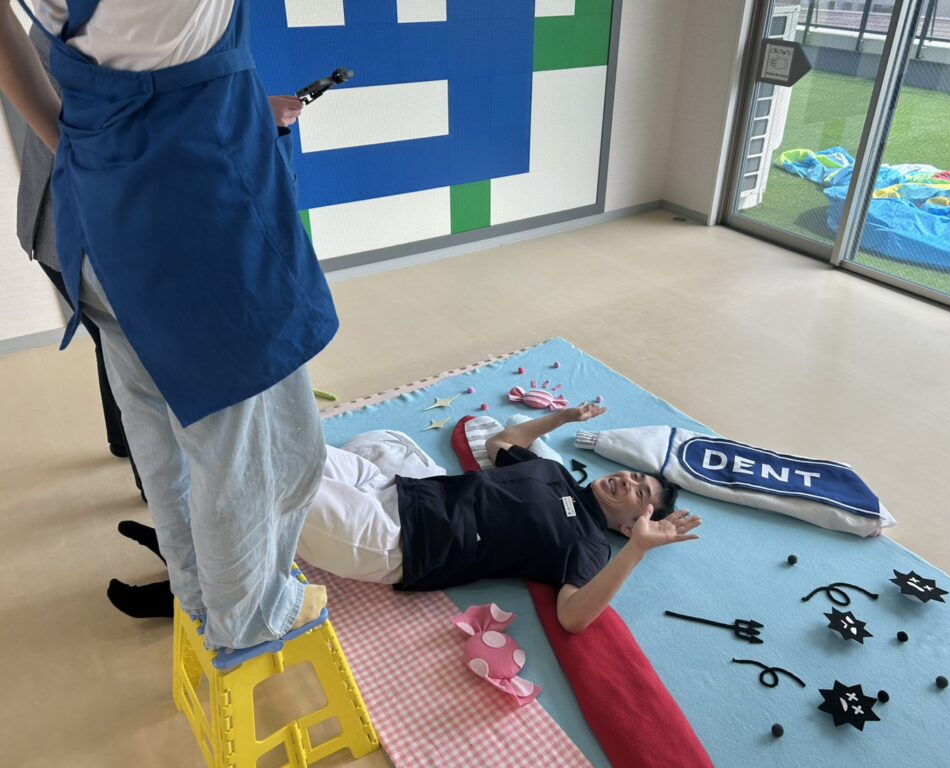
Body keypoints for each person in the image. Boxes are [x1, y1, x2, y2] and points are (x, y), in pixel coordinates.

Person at [0, 0, 337, 650]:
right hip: (194, 222)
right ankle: (251, 616)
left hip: (94, 223)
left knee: (161, 436)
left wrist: (73, 148)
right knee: (264, 450)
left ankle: (197, 593)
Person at [300, 405, 703, 633]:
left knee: (281, 490)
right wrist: (561, 418)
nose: (627, 481)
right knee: (293, 450)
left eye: (639, 493)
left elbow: (573, 617)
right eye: (633, 476)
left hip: (400, 539)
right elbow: (500, 443)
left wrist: (638, 550)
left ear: (630, 526)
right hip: (396, 488)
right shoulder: (553, 472)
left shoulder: (589, 543)